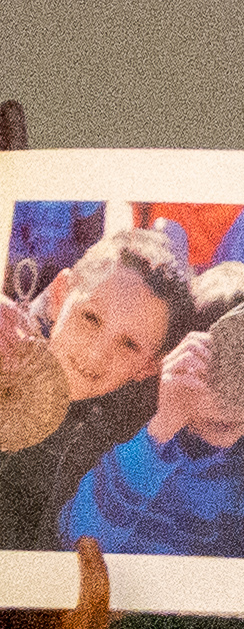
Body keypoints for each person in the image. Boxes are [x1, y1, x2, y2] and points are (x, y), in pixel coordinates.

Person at [60, 275, 244, 563]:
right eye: (213, 370)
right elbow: (77, 543)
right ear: (173, 358)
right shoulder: (124, 431)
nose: (230, 402)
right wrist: (162, 428)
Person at [0, 227, 193, 547]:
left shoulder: (131, 441)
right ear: (60, 294)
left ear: (148, 367)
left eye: (129, 344)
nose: (95, 353)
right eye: (90, 318)